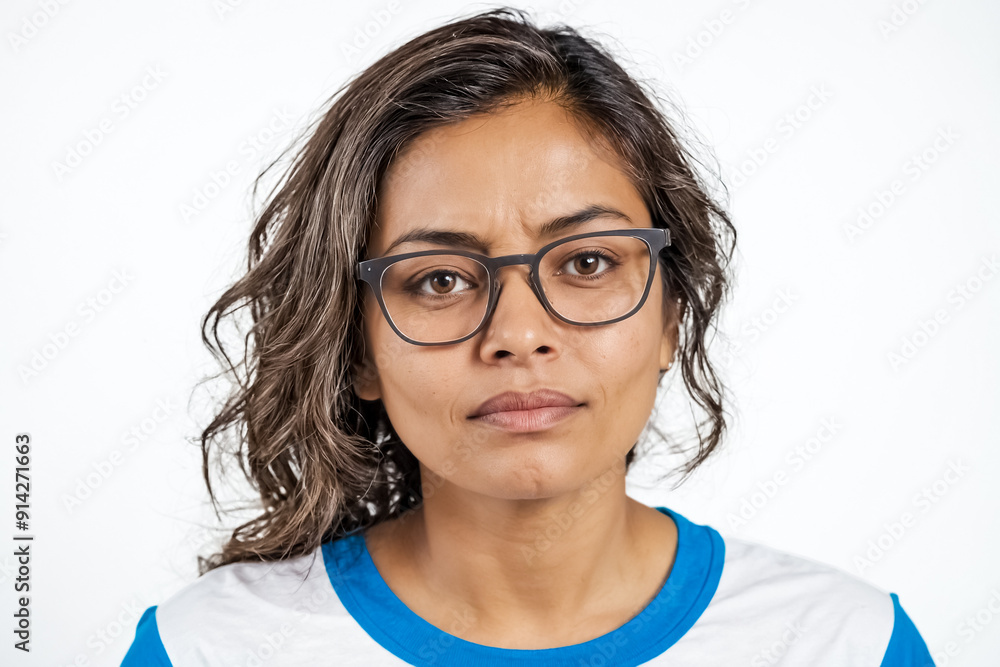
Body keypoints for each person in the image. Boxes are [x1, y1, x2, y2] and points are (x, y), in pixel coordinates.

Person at [122, 7, 934, 666]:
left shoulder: (848, 644)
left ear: (671, 315)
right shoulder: (206, 648)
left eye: (586, 261)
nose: (517, 334)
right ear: (358, 348)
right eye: (438, 278)